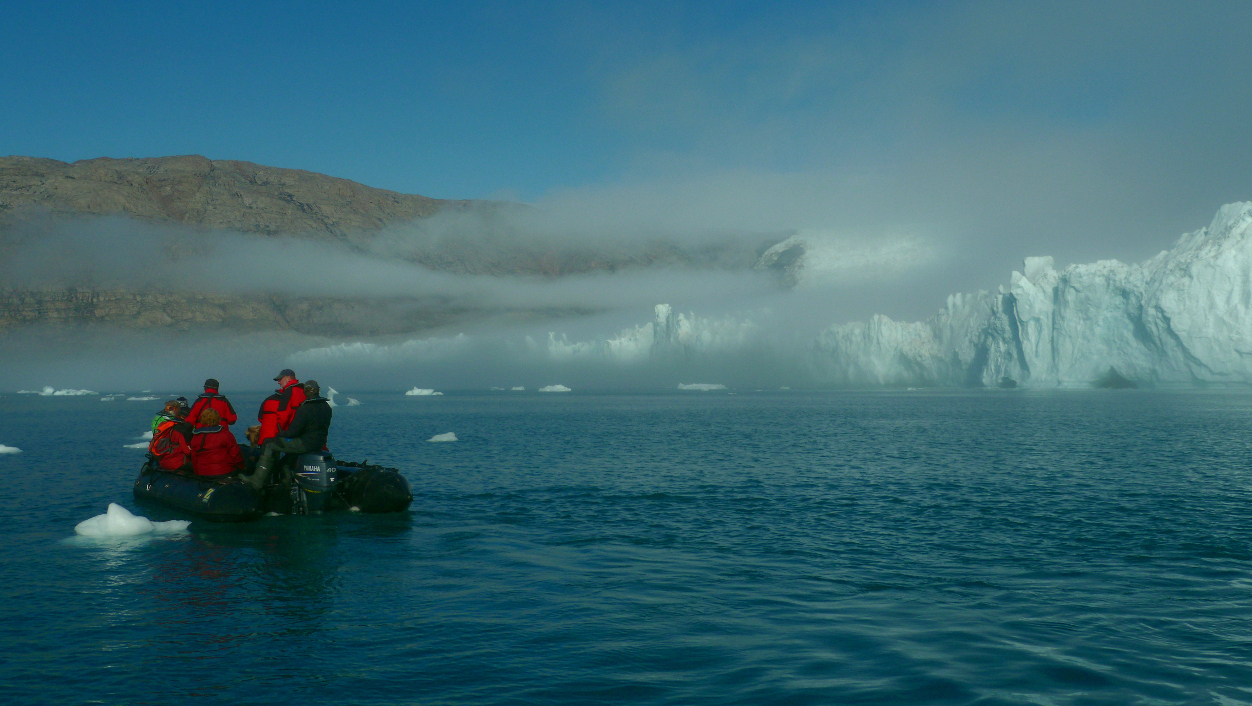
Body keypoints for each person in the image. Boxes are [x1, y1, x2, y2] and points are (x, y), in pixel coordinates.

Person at [239, 380, 332, 489]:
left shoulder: (305, 409)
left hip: (305, 444)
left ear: (306, 391)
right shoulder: (326, 407)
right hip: (318, 443)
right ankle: (286, 486)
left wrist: (280, 435)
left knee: (269, 443)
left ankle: (257, 480)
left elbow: (293, 432)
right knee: (285, 462)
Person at [188, 408, 244, 477]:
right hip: (223, 471)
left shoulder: (196, 436)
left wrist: (197, 473)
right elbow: (235, 453)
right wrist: (241, 467)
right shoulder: (225, 434)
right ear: (218, 419)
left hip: (203, 472)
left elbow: (194, 457)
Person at [149, 404, 193, 471]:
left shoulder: (166, 428)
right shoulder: (180, 431)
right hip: (176, 464)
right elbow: (187, 451)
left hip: (163, 461)